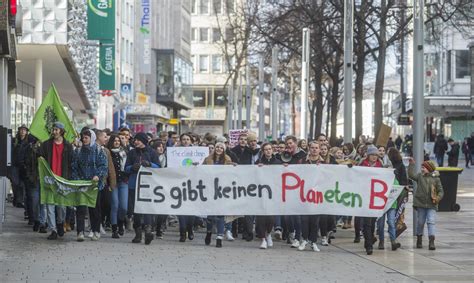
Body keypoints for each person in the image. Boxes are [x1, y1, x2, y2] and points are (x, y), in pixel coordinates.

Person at [39, 122, 73, 240]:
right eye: (53, 129)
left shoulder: (68, 146)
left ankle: (60, 222)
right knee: (49, 205)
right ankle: (53, 229)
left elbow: (71, 163)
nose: (54, 132)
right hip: (49, 179)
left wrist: (68, 178)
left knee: (61, 207)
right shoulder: (46, 145)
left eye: (57, 130)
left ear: (62, 131)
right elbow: (39, 157)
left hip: (62, 180)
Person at [72, 129, 108, 242]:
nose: (84, 139)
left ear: (91, 138)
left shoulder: (98, 151)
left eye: (86, 137)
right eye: (83, 137)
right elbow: (74, 167)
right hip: (82, 185)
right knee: (81, 208)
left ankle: (96, 231)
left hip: (94, 185)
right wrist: (77, 179)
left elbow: (103, 166)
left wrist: (98, 175)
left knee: (94, 209)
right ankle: (80, 232)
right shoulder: (77, 151)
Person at [125, 132, 160, 245]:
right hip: (134, 184)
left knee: (147, 208)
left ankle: (148, 231)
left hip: (148, 185)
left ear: (144, 141)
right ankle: (138, 233)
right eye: (135, 140)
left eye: (138, 140)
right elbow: (126, 168)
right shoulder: (131, 153)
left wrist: (150, 164)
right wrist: (132, 167)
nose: (136, 142)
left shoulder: (152, 152)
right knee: (136, 210)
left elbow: (159, 167)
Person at [408, 158, 444, 250]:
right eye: (422, 167)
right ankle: (419, 238)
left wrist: (438, 198)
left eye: (423, 167)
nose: (422, 169)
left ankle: (431, 241)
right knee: (420, 222)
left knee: (431, 221)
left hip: (432, 204)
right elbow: (411, 175)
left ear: (429, 168)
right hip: (421, 204)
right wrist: (411, 165)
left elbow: (441, 191)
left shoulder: (436, 179)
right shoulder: (420, 177)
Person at [202, 141, 233, 248]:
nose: (219, 149)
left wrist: (235, 167)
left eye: (221, 147)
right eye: (217, 147)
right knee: (210, 215)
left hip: (222, 190)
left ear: (224, 150)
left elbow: (231, 174)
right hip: (210, 189)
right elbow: (201, 171)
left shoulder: (227, 159)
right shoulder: (208, 159)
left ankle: (219, 237)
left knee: (221, 214)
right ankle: (209, 232)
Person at [377, 148, 408, 251]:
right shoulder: (385, 176)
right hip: (381, 202)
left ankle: (393, 241)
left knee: (391, 221)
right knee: (380, 224)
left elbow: (402, 183)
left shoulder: (397, 175)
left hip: (392, 202)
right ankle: (381, 241)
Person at [298, 141, 323, 252]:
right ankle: (304, 239)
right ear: (309, 149)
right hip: (305, 193)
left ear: (319, 149)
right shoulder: (302, 161)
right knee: (304, 219)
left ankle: (313, 241)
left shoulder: (325, 161)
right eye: (312, 147)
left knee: (315, 220)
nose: (314, 150)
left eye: (316, 148)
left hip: (319, 194)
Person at [256, 142, 282, 249]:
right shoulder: (258, 162)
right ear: (263, 151)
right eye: (266, 149)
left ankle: (268, 234)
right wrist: (257, 168)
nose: (268, 151)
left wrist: (285, 168)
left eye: (270, 149)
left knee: (271, 218)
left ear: (272, 150)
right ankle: (262, 239)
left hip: (273, 193)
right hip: (261, 193)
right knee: (261, 217)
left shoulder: (278, 162)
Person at [358, 145, 383, 255]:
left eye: (376, 155)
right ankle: (369, 246)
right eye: (372, 155)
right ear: (368, 155)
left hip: (375, 197)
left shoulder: (380, 165)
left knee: (372, 222)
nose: (374, 157)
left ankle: (369, 239)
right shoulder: (362, 164)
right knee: (366, 222)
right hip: (364, 196)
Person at [95, 129, 117, 236]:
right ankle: (96, 226)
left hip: (104, 182)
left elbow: (111, 168)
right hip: (93, 182)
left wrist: (112, 184)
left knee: (106, 204)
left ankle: (101, 223)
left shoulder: (106, 151)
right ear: (98, 137)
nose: (106, 139)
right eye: (104, 137)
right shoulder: (91, 149)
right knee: (96, 205)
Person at [176, 133, 197, 242]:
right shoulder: (174, 152)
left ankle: (190, 227)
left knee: (191, 208)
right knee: (181, 208)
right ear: (180, 141)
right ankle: (182, 231)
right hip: (179, 184)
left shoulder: (197, 153)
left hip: (193, 185)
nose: (185, 141)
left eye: (188, 139)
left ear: (191, 141)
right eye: (183, 139)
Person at [107, 134, 128, 239]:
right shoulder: (108, 152)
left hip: (124, 182)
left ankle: (121, 222)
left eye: (118, 141)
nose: (117, 142)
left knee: (123, 207)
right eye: (115, 141)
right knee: (115, 205)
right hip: (113, 182)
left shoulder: (124, 153)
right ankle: (114, 229)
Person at [11, 124, 30, 209]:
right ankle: (16, 200)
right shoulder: (15, 141)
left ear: (26, 132)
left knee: (21, 184)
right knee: (15, 183)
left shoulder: (28, 142)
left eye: (24, 130)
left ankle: (19, 201)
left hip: (23, 166)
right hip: (14, 165)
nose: (22, 131)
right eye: (21, 130)